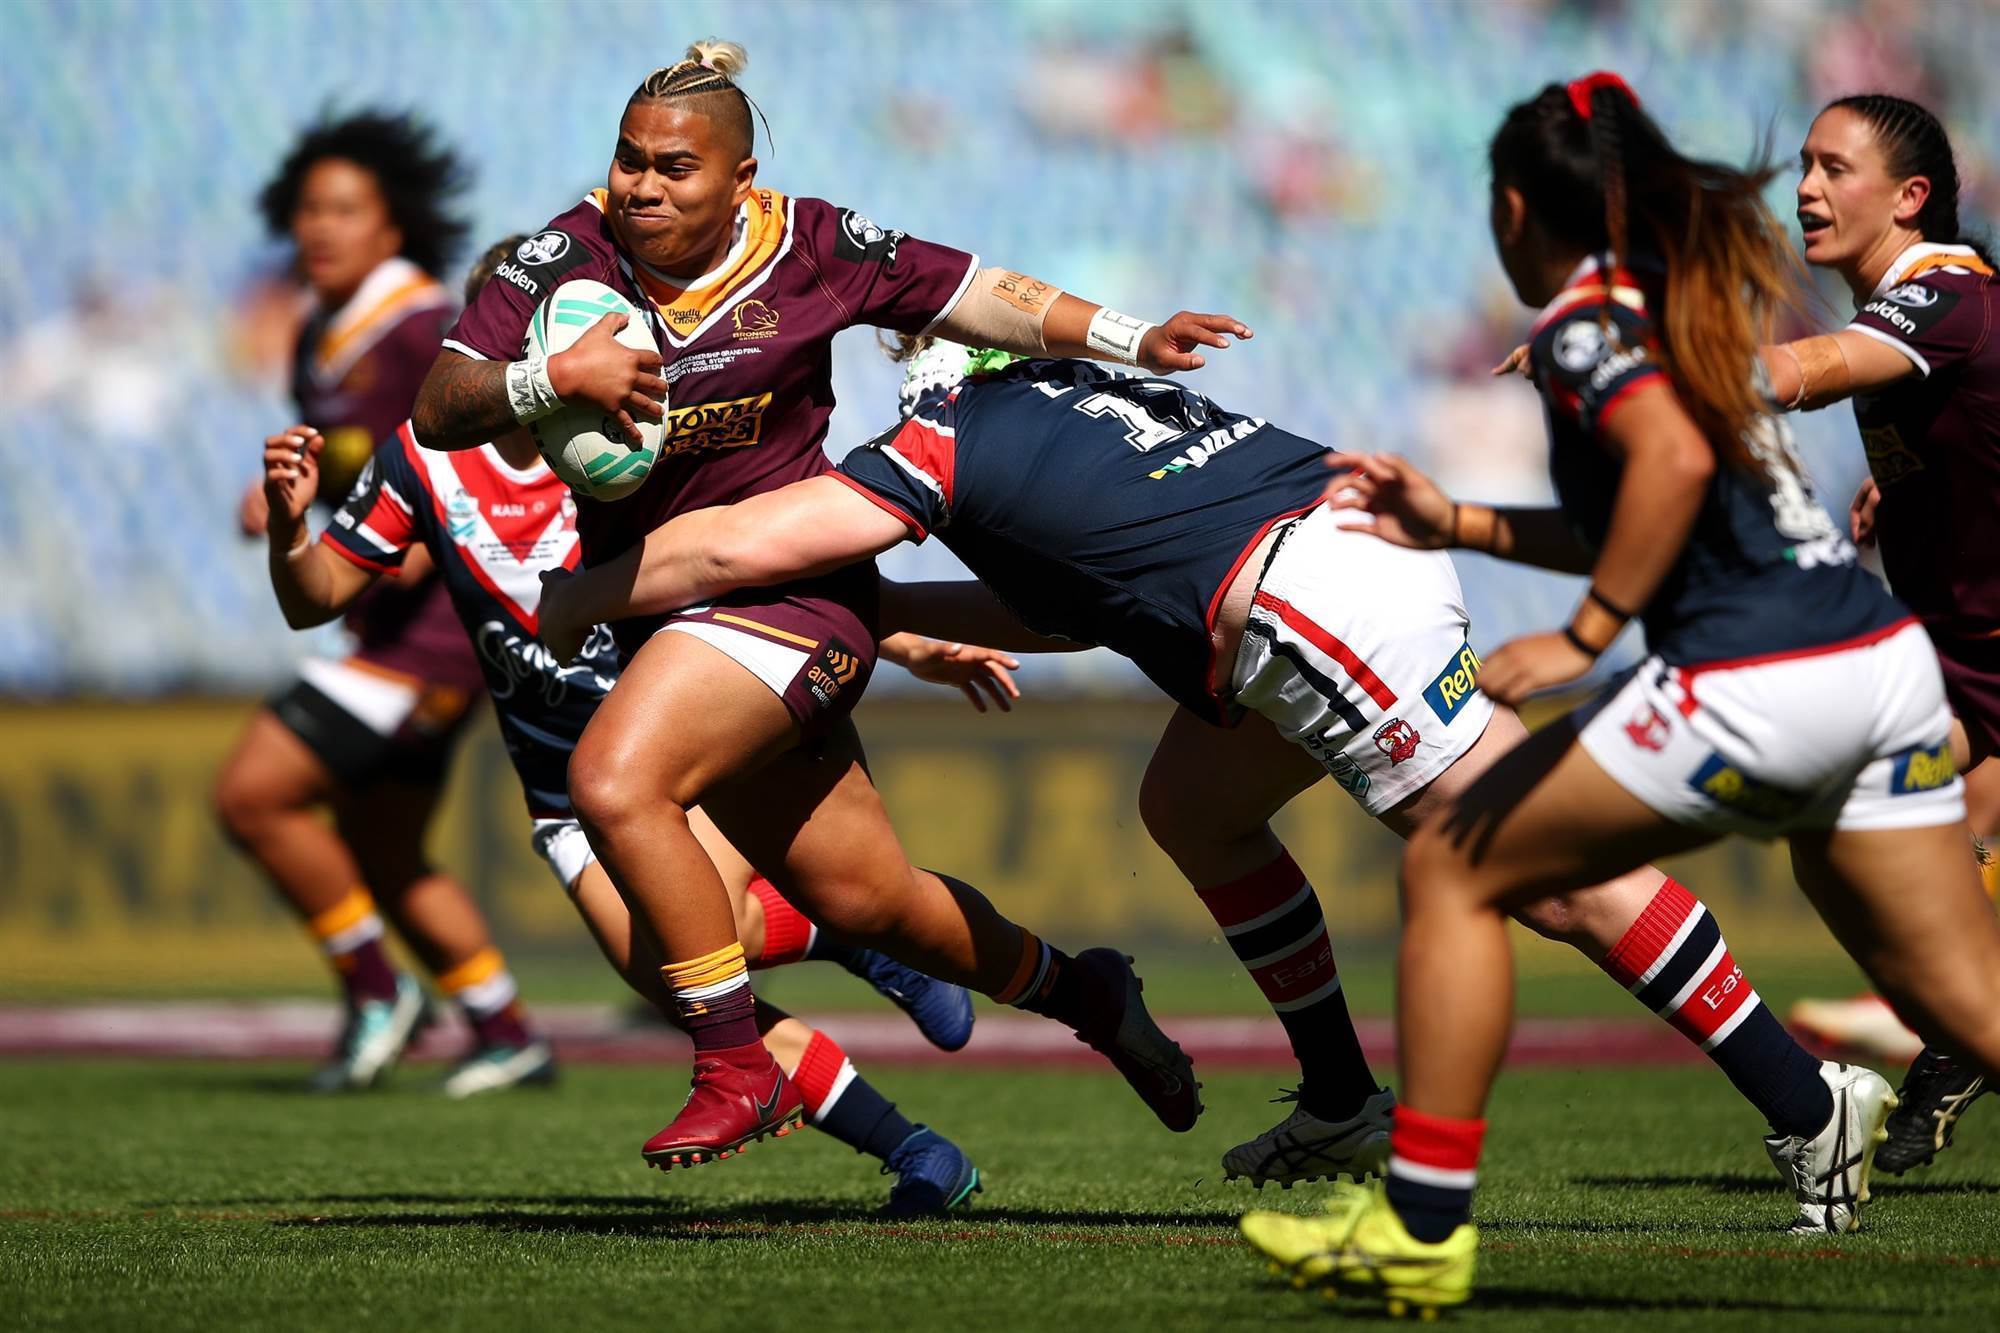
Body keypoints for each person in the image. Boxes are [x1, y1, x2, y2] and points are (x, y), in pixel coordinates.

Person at [535, 323, 1880, 1235]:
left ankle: (1808, 1104)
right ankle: (1343, 1100)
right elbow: (1077, 612)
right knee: (1193, 804)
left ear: (934, 375)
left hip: (1306, 604)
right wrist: (892, 621)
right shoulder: (1089, 414)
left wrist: (590, 589)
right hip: (1332, 566)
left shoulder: (954, 433)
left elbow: (738, 554)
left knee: (1534, 868)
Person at [1234, 75, 2000, 1315]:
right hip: (1881, 663)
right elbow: (1662, 490)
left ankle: (1421, 1227)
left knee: (1451, 865)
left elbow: (1674, 458)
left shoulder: (1599, 323)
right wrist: (1461, 520)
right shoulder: (1669, 308)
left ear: (1513, 207)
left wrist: (1583, 635)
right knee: (1962, 1002)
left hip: (1764, 676)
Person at [411, 41, 1236, 1163]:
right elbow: (444, 403)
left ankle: (735, 1065)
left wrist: (1129, 336)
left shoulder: (813, 245)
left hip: (797, 597)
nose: (641, 188)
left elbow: (976, 293)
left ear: (740, 180)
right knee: (877, 904)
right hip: (671, 616)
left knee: (614, 778)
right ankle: (1090, 995)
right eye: (627, 162)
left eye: (672, 168)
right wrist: (552, 378)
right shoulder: (569, 251)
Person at [254, 234, 1007, 1210]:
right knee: (675, 981)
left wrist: (899, 636)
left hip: (668, 761)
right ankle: (900, 1098)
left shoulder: (634, 445)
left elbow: (755, 562)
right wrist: (288, 525)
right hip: (561, 787)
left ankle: (888, 1026)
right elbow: (314, 597)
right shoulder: (421, 459)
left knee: (701, 957)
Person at [214, 110, 540, 1095]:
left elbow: (482, 452)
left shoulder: (422, 330)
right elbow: (339, 455)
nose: (320, 227)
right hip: (386, 630)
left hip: (433, 638)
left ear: (392, 227)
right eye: (308, 208)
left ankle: (374, 991)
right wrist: (282, 496)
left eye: (345, 209)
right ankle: (502, 1025)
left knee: (252, 795)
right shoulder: (322, 332)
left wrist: (415, 542)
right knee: (383, 847)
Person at [1759, 93, 1999, 1174]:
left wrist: (1635, 367)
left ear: (1907, 198)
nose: (1804, 188)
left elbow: (1802, 374)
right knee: (1879, 835)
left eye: (1831, 167)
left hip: (1979, 653)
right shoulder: (1919, 309)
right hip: (1964, 654)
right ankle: (1953, 1028)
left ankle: (1954, 1028)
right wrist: (1891, 491)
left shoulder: (1940, 292)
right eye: (1802, 165)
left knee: (1866, 825)